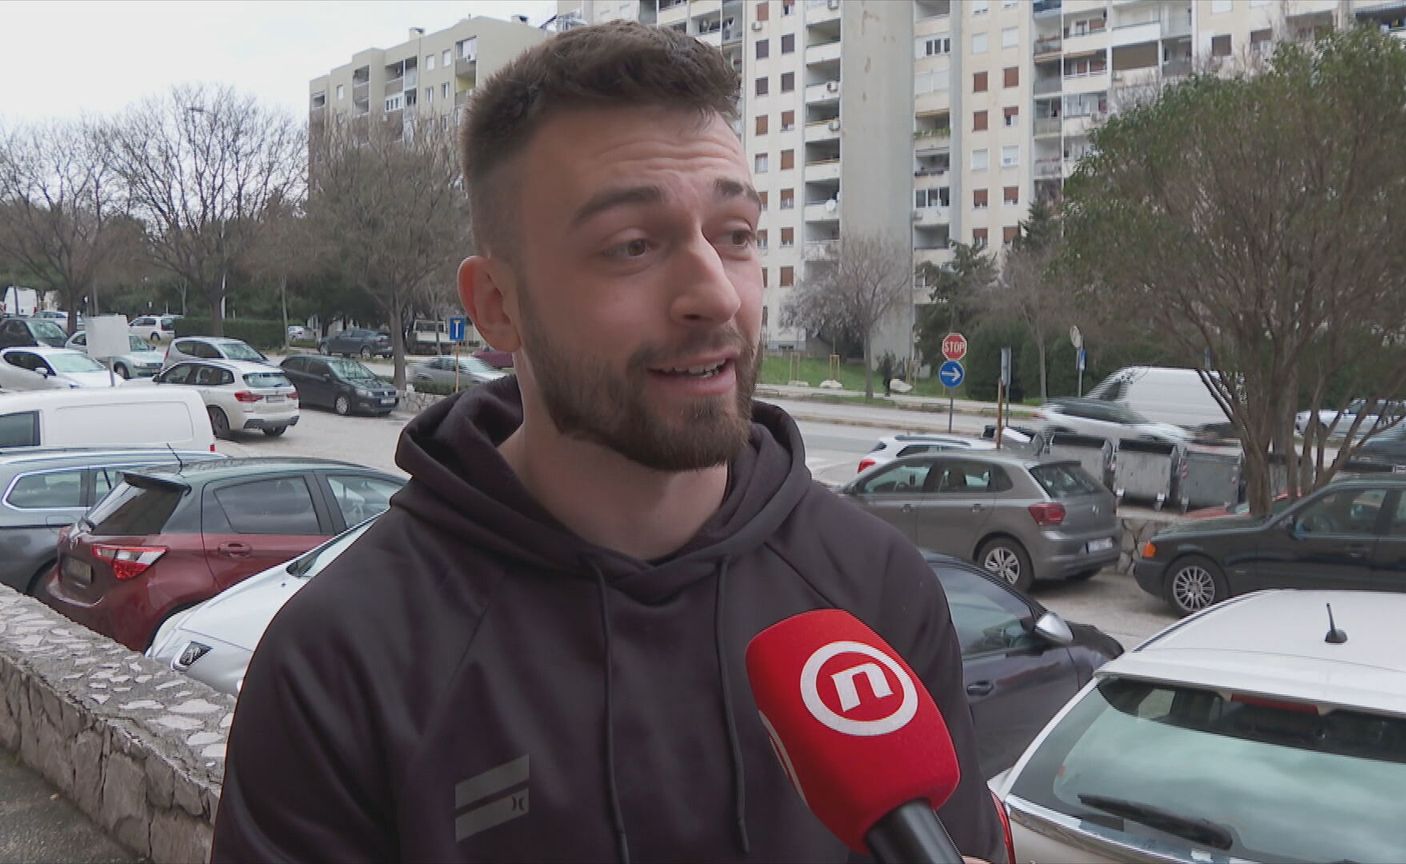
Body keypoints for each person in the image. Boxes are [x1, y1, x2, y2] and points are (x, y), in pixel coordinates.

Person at [211, 21, 1004, 864]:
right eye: (632, 245)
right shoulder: (341, 662)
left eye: (736, 234)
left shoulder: (876, 589)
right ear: (497, 307)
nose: (715, 295)